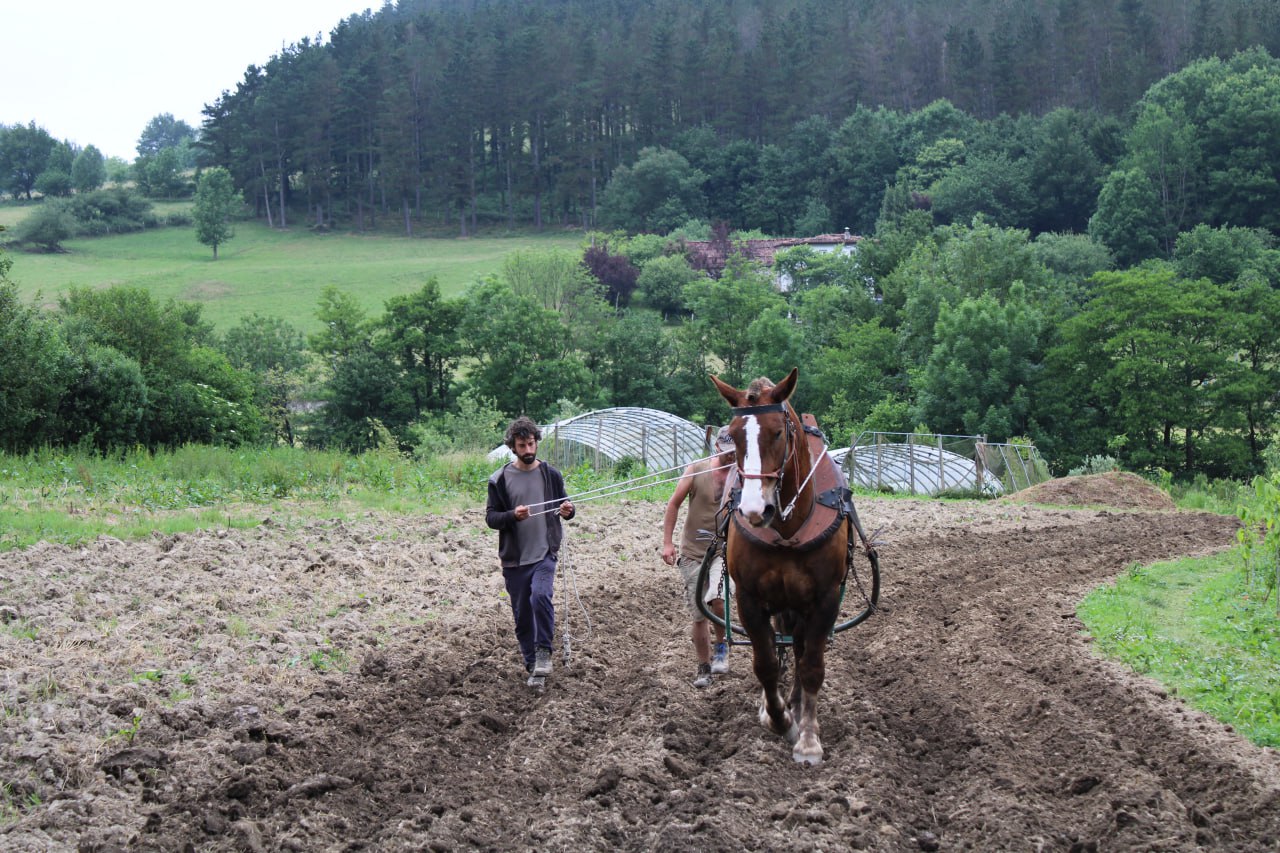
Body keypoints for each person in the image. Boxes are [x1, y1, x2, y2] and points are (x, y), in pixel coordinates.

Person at [486, 416, 575, 687]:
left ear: (537, 443)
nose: (528, 450)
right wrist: (512, 515)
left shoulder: (551, 474)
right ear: (512, 447)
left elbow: (566, 506)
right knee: (522, 615)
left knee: (540, 596)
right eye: (522, 445)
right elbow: (491, 518)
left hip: (544, 552)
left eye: (531, 444)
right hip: (515, 559)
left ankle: (544, 652)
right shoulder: (499, 479)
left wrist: (568, 511)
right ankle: (532, 664)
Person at [661, 426, 735, 688]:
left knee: (717, 599)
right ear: (717, 448)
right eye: (727, 452)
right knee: (698, 612)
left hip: (724, 551)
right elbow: (674, 504)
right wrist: (668, 543)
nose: (731, 457)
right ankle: (703, 667)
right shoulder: (697, 470)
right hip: (693, 552)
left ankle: (722, 647)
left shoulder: (742, 476)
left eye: (736, 453)